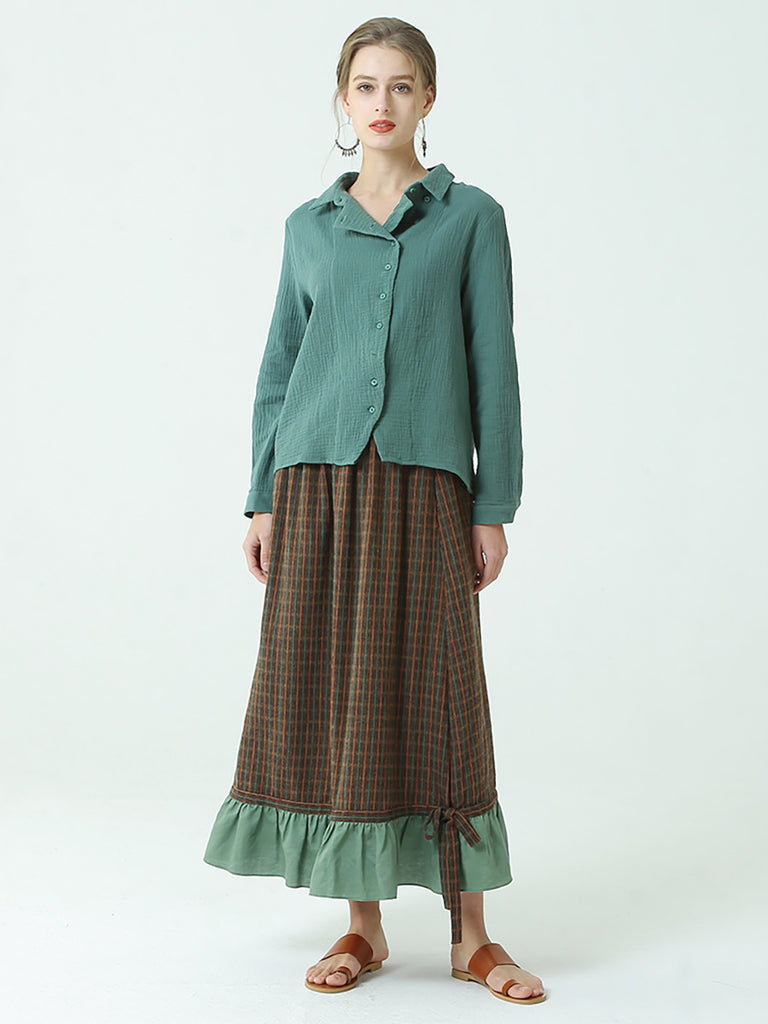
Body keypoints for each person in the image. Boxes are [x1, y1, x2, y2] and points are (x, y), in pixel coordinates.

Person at [202, 16, 546, 1005]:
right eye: (365, 86)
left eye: (401, 86)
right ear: (343, 100)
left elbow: (493, 363)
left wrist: (494, 501)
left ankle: (472, 936)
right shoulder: (308, 226)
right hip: (315, 485)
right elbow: (279, 368)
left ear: (428, 99)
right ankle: (363, 924)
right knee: (337, 696)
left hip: (426, 483)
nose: (382, 103)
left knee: (442, 695)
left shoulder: (471, 217)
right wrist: (262, 497)